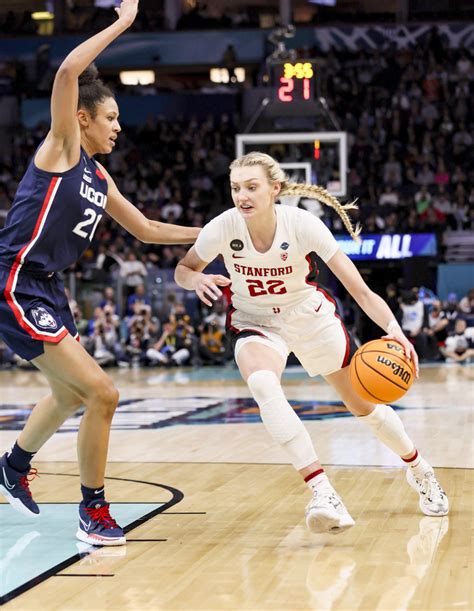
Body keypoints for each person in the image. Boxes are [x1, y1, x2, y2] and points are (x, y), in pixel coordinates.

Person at [0, 0, 199, 546]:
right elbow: (67, 73)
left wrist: (213, 234)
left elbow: (147, 230)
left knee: (68, 396)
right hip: (15, 278)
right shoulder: (61, 147)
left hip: (47, 288)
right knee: (103, 395)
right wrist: (123, 22)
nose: (118, 128)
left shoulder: (99, 175)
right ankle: (93, 511)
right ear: (82, 118)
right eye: (111, 118)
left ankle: (14, 466)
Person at [175, 152, 448, 534]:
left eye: (252, 187)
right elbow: (184, 268)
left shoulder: (302, 224)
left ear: (276, 189)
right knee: (263, 385)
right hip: (255, 321)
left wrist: (394, 330)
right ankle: (323, 492)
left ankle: (419, 468)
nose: (242, 196)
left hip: (308, 316)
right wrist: (195, 280)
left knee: (364, 406)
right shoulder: (223, 227)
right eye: (236, 188)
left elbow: (362, 291)